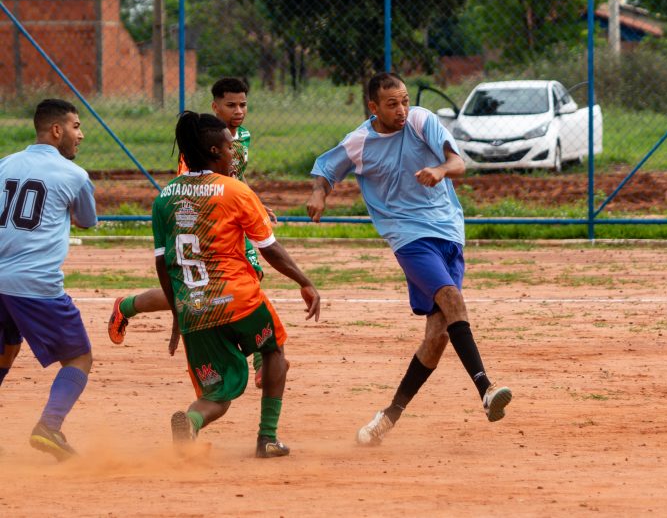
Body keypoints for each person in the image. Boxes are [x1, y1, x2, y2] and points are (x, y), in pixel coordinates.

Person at [307, 72, 511, 446]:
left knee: (438, 335)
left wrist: (440, 169)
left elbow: (458, 163)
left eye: (403, 101)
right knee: (452, 299)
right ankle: (485, 387)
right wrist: (320, 194)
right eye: (391, 104)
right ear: (373, 107)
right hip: (408, 237)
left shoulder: (421, 120)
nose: (401, 109)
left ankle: (388, 417)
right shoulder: (359, 143)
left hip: (449, 231)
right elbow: (325, 170)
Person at [154, 111, 320, 458]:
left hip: (194, 310)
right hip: (239, 300)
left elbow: (162, 264)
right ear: (215, 151)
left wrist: (176, 316)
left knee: (216, 395)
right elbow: (269, 249)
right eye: (231, 148)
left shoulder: (165, 197)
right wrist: (304, 282)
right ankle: (268, 438)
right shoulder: (235, 191)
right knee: (274, 350)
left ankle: (192, 422)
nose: (235, 154)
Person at [109, 77, 279, 386]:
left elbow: (234, 178)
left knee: (250, 274)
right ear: (215, 106)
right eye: (231, 105)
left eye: (243, 104)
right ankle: (126, 305)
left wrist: (255, 203)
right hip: (201, 221)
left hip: (231, 215)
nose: (238, 110)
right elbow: (190, 187)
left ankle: (260, 360)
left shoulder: (244, 136)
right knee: (191, 291)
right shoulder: (198, 141)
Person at [0, 99, 97, 461]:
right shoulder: (74, 175)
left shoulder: (4, 164)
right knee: (79, 358)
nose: (80, 134)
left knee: (6, 352)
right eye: (75, 126)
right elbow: (87, 221)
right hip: (35, 285)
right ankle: (49, 426)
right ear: (56, 130)